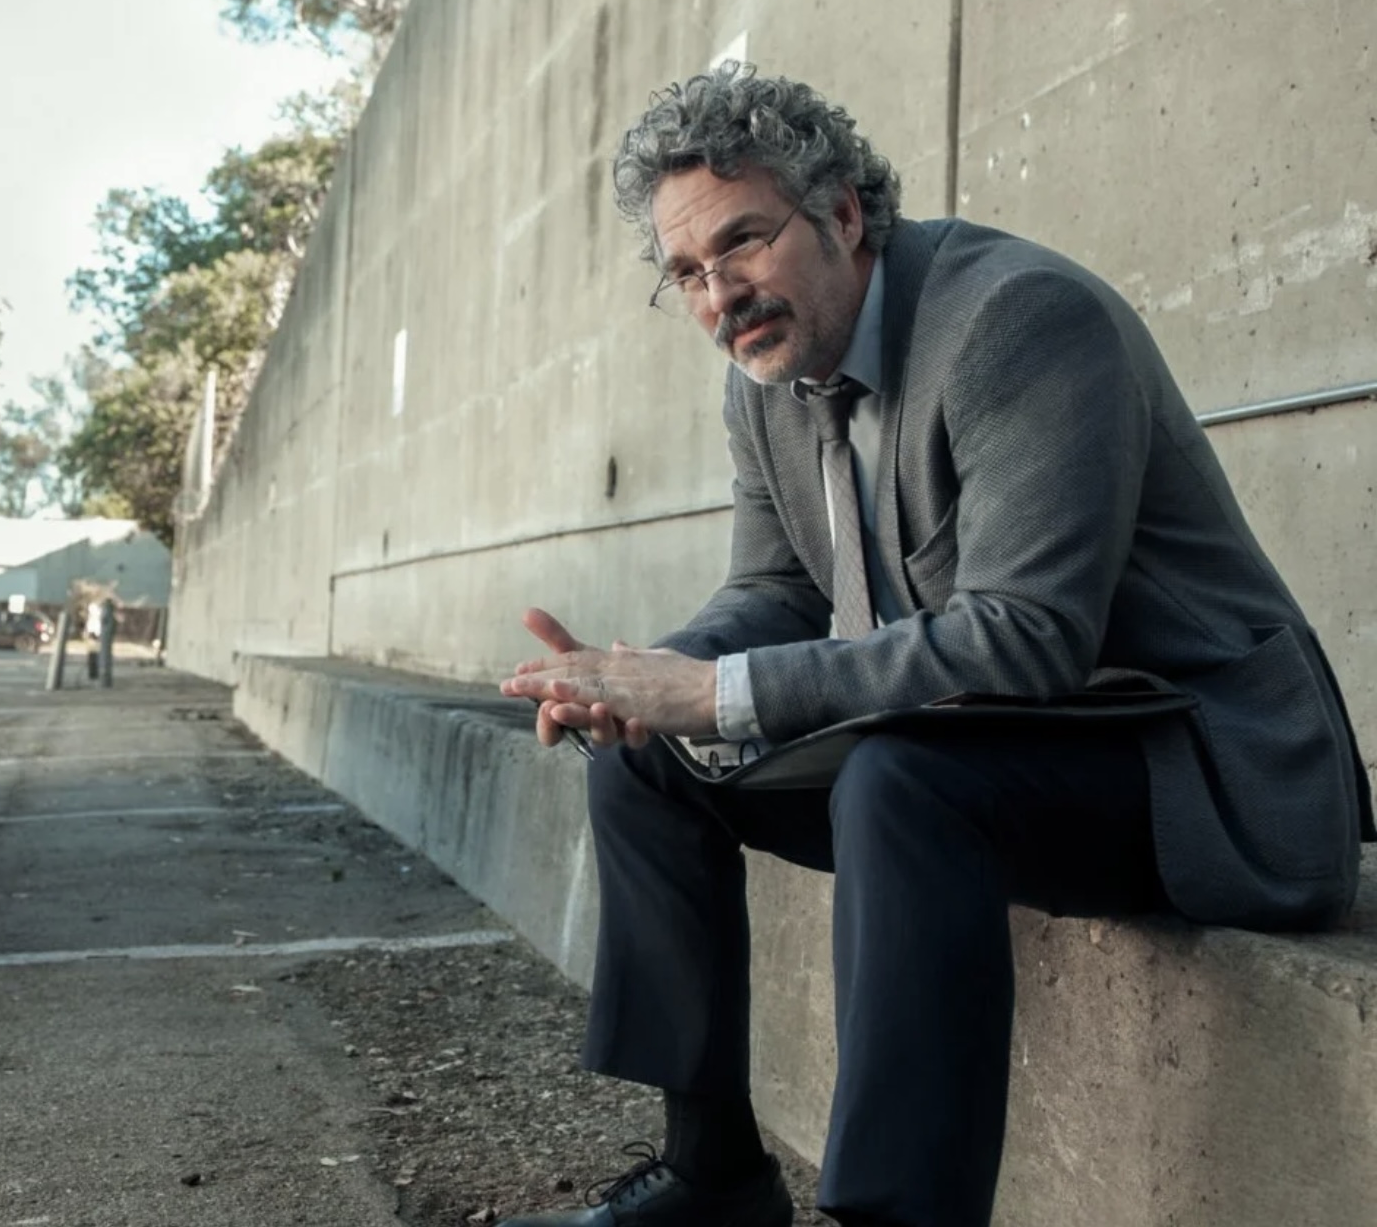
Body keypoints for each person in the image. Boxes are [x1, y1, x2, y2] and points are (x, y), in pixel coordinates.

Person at [497, 62, 1370, 1227]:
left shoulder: (1017, 321)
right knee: (648, 763)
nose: (720, 295)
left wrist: (714, 693)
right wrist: (636, 687)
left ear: (841, 211)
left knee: (897, 783)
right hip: (1002, 747)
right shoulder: (765, 378)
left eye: (742, 240)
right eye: (687, 272)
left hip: (1196, 765)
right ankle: (712, 1180)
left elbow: (1027, 639)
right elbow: (771, 592)